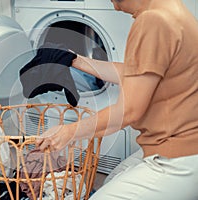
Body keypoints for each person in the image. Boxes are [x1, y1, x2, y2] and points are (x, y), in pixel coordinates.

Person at [36, 0, 198, 199]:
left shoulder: (152, 21)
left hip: (177, 158)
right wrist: (73, 59)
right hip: (181, 148)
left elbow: (128, 111)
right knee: (110, 181)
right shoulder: (171, 9)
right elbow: (137, 75)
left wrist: (67, 132)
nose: (116, 7)